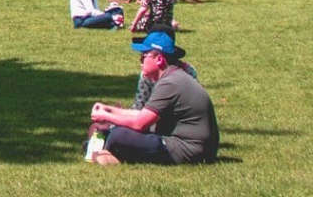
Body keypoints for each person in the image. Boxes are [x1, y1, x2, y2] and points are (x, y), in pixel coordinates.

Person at [85, 32, 218, 166]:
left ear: (159, 59)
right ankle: (109, 151)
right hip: (191, 147)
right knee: (107, 130)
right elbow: (143, 114)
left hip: (189, 150)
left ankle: (109, 152)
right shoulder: (172, 77)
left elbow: (140, 123)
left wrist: (107, 117)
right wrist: (108, 110)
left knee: (118, 135)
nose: (140, 62)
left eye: (143, 57)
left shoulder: (170, 83)